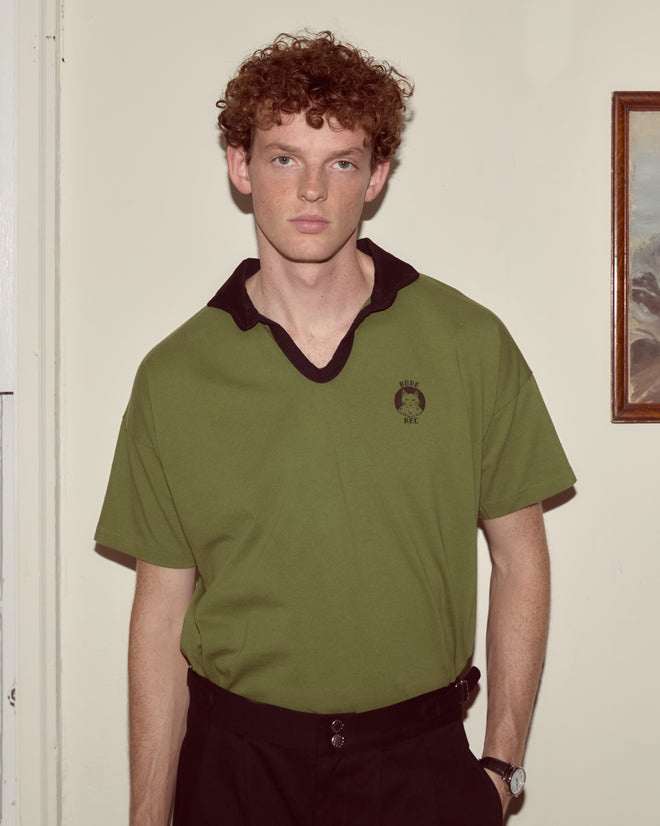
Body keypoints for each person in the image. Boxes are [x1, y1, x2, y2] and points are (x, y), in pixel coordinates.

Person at [95, 31, 575, 826]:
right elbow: (159, 616)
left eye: (342, 162)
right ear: (240, 168)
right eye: (284, 158)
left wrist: (500, 765)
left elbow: (521, 554)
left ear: (377, 176)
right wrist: (150, 816)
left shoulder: (466, 343)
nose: (312, 189)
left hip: (420, 763)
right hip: (238, 768)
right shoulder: (174, 377)